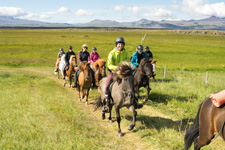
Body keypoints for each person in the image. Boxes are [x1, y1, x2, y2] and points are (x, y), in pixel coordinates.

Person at [102, 37, 143, 113]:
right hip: (114, 72)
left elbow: (128, 63)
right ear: (116, 45)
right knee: (107, 84)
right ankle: (107, 100)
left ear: (123, 45)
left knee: (131, 84)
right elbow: (109, 64)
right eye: (118, 44)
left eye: (121, 44)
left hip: (123, 74)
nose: (120, 46)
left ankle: (134, 101)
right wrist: (118, 68)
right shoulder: (112, 53)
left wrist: (132, 68)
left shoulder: (126, 53)